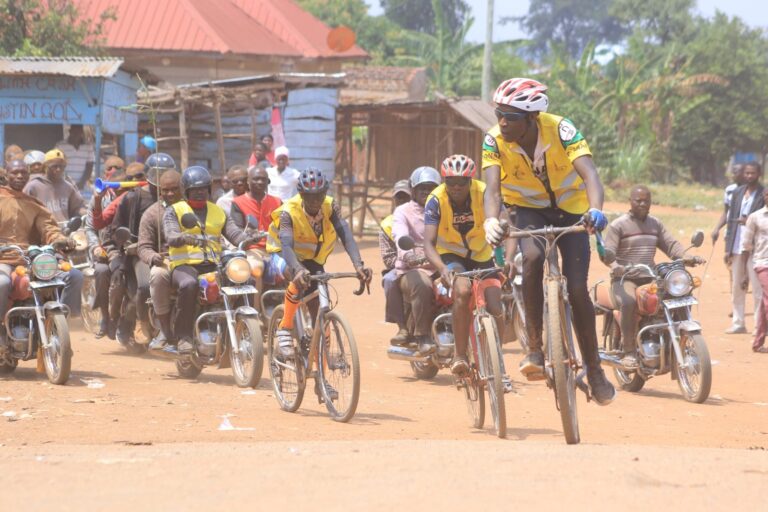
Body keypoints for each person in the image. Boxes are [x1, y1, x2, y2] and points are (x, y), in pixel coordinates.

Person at [481, 77, 615, 405]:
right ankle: (535, 351)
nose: (502, 122)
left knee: (579, 288)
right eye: (499, 113)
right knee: (531, 259)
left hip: (572, 212)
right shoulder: (493, 140)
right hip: (528, 212)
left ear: (532, 119)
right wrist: (489, 220)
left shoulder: (562, 130)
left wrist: (596, 210)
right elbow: (493, 190)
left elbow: (591, 176)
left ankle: (595, 370)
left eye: (510, 117)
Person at [267, 168, 372, 358]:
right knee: (297, 279)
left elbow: (346, 234)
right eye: (310, 196)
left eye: (320, 195)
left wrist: (359, 265)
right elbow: (286, 246)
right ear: (301, 194)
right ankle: (285, 327)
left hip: (311, 258)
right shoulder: (288, 212)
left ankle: (321, 377)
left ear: (325, 192)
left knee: (318, 306)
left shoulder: (330, 206)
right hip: (282, 254)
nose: (316, 201)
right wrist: (298, 269)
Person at [603, 186, 703, 367]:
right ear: (630, 202)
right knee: (629, 302)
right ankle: (629, 351)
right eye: (638, 200)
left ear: (650, 202)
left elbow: (671, 246)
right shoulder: (618, 225)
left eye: (646, 200)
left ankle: (678, 342)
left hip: (650, 276)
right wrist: (615, 266)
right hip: (625, 278)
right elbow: (608, 251)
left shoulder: (655, 224)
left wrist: (687, 257)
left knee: (678, 295)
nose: (642, 204)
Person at [422, 155, 504, 375]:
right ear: (444, 182)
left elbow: (507, 226)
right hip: (451, 255)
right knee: (463, 291)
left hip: (481, 253)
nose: (456, 187)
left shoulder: (485, 192)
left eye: (462, 182)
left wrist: (508, 256)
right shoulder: (435, 199)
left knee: (496, 306)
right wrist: (442, 268)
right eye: (450, 182)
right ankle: (459, 356)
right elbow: (428, 244)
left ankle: (496, 360)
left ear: (471, 180)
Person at [164, 166, 258, 354]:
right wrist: (184, 237)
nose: (200, 193)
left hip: (214, 264)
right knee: (189, 285)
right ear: (186, 190)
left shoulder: (219, 211)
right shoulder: (174, 211)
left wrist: (248, 238)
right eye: (195, 189)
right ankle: (183, 336)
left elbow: (233, 233)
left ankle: (245, 330)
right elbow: (170, 235)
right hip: (185, 266)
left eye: (203, 189)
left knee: (246, 279)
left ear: (209, 190)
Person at [0, 159, 80, 323]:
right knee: (2, 282)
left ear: (28, 175)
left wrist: (60, 239)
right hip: (4, 259)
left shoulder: (34, 204)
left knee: (74, 275)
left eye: (23, 173)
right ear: (6, 175)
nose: (20, 176)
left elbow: (48, 228)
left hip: (31, 259)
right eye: (15, 172)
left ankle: (59, 323)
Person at [107, 155, 165, 344]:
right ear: (148, 175)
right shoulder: (133, 197)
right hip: (140, 252)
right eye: (157, 174)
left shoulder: (177, 198)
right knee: (145, 286)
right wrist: (127, 242)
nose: (162, 179)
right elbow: (116, 229)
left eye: (165, 174)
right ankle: (141, 321)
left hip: (171, 253)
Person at [389, 172, 441, 351]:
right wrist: (409, 255)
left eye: (431, 188)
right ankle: (422, 336)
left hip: (443, 265)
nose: (427, 192)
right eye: (422, 188)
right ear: (413, 190)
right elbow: (400, 234)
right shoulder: (403, 211)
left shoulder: (444, 207)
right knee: (422, 284)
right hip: (414, 268)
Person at [138, 168, 183, 350]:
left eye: (174, 189)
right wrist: (152, 256)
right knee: (157, 276)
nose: (170, 193)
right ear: (160, 191)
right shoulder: (151, 213)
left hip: (197, 259)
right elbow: (143, 247)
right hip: (166, 260)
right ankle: (165, 329)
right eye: (166, 190)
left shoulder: (193, 208)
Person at [84, 161, 128, 337]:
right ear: (105, 172)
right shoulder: (98, 197)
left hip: (126, 249)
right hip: (104, 250)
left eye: (118, 168)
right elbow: (90, 227)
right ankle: (105, 316)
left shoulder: (131, 196)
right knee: (102, 273)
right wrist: (95, 246)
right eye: (110, 168)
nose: (114, 171)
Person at [724, 161, 765, 334]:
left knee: (757, 288)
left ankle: (759, 325)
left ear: (759, 174)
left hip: (755, 249)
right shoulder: (738, 192)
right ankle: (738, 322)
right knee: (737, 287)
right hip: (736, 246)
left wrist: (748, 220)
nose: (749, 176)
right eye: (747, 173)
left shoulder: (764, 193)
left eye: (752, 173)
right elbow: (730, 220)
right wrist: (727, 248)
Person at [230, 166, 282, 294]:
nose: (259, 182)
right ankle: (256, 310)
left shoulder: (277, 202)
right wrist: (249, 235)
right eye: (256, 179)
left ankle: (294, 310)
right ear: (248, 181)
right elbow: (237, 229)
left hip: (276, 249)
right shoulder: (238, 203)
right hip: (253, 249)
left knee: (294, 269)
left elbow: (285, 225)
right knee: (256, 269)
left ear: (268, 182)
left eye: (263, 179)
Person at [380, 179, 414, 344]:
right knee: (389, 280)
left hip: (428, 263)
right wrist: (406, 261)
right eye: (399, 198)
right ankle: (402, 328)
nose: (402, 201)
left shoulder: (424, 216)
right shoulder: (387, 224)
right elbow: (387, 257)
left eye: (406, 197)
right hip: (401, 266)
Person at [23, 149, 86, 223]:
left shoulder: (68, 187)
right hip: (43, 230)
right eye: (54, 166)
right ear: (46, 166)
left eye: (61, 166)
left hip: (65, 229)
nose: (58, 169)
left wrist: (86, 213)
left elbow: (78, 207)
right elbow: (24, 211)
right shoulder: (33, 187)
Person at [742, 187, 768, 354]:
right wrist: (745, 274)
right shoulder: (755, 217)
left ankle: (758, 342)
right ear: (764, 196)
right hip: (762, 262)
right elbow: (746, 246)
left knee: (764, 303)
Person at [712, 164, 745, 244]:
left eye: (736, 173)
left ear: (744, 174)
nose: (733, 175)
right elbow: (726, 212)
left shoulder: (751, 190)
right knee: (730, 255)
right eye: (732, 173)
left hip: (745, 232)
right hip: (731, 231)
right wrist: (717, 228)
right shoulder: (729, 190)